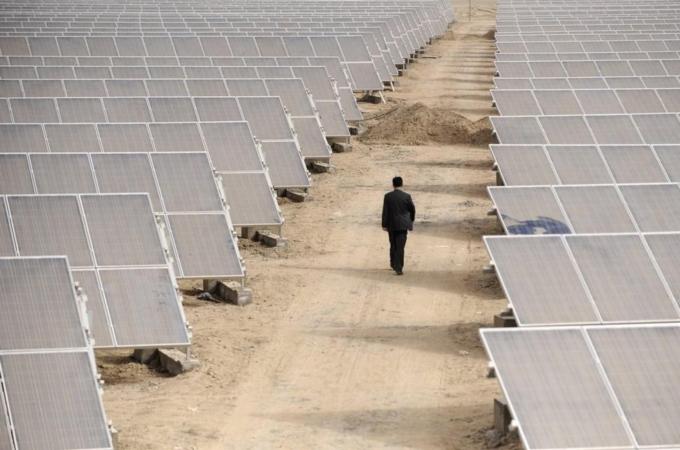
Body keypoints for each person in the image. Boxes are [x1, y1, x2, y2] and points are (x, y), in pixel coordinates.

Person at [382, 176, 416, 275]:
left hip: (391, 224)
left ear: (393, 185)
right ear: (402, 184)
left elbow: (385, 211)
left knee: (393, 244)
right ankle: (399, 268)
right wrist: (411, 220)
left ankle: (393, 263)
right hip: (403, 225)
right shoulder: (406, 196)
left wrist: (384, 224)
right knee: (400, 246)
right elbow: (412, 209)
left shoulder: (388, 196)